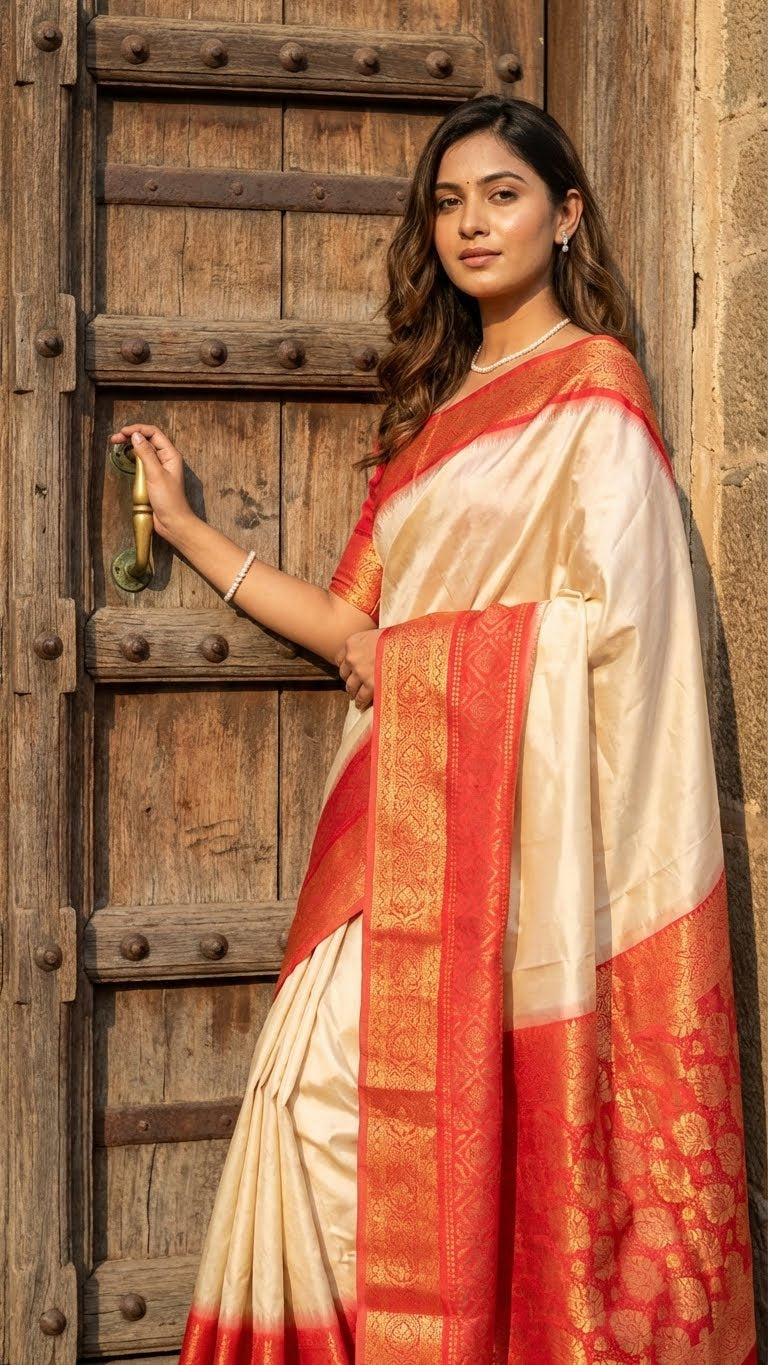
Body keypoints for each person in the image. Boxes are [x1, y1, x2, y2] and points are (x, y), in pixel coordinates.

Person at [111, 96, 756, 1365]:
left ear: (565, 216)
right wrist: (189, 533)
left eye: (503, 195)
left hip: (536, 862)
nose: (471, 224)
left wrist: (417, 664)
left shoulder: (597, 392)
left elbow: (624, 636)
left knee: (487, 1135)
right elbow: (353, 624)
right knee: (318, 1116)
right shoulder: (426, 416)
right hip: (394, 837)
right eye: (449, 203)